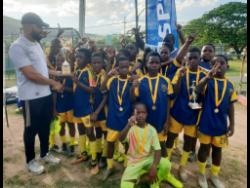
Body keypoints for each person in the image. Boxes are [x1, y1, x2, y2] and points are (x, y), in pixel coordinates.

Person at [9, 12, 62, 174]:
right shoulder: (18, 46)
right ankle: (31, 161)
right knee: (31, 130)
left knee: (45, 126)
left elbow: (43, 67)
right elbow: (30, 74)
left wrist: (58, 74)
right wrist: (54, 83)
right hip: (31, 98)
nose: (41, 30)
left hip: (45, 95)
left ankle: (45, 154)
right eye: (39, 27)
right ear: (31, 26)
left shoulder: (36, 44)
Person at [165, 47, 207, 182]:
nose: (192, 60)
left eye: (195, 58)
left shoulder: (205, 75)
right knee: (171, 138)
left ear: (199, 59)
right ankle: (166, 163)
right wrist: (180, 77)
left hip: (193, 115)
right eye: (190, 58)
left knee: (189, 142)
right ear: (186, 59)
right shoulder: (181, 71)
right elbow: (174, 92)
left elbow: (204, 95)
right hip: (177, 112)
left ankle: (182, 166)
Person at [195, 55, 237, 188]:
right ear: (210, 67)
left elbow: (230, 106)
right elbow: (197, 90)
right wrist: (208, 77)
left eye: (222, 63)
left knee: (218, 150)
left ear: (227, 66)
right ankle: (201, 174)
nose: (218, 67)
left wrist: (232, 124)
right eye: (214, 64)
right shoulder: (208, 82)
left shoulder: (230, 85)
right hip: (206, 122)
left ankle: (214, 175)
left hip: (221, 125)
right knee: (204, 148)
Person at [119, 102, 183, 188]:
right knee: (124, 186)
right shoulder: (130, 128)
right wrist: (128, 125)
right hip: (134, 163)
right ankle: (143, 176)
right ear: (133, 114)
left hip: (149, 160)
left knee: (166, 164)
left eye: (143, 112)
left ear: (147, 114)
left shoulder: (152, 130)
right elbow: (121, 138)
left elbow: (157, 150)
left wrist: (154, 166)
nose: (141, 115)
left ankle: (155, 182)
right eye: (138, 112)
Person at [131, 51, 174, 157]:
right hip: (145, 120)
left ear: (160, 64)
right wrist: (132, 87)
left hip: (160, 119)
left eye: (156, 62)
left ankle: (164, 166)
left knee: (161, 145)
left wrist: (167, 121)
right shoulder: (141, 81)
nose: (154, 65)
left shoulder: (166, 81)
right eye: (151, 62)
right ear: (146, 64)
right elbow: (133, 100)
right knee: (146, 145)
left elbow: (168, 101)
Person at [101, 55, 133, 180]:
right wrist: (108, 75)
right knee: (110, 143)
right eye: (121, 67)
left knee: (127, 144)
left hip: (126, 119)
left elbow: (134, 99)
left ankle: (126, 166)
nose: (124, 69)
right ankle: (110, 167)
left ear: (129, 67)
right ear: (117, 68)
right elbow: (102, 88)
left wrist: (134, 85)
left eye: (126, 67)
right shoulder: (112, 80)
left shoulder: (132, 81)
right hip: (113, 118)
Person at [71, 48, 94, 163]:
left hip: (86, 109)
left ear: (87, 59)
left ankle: (94, 156)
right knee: (80, 130)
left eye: (81, 57)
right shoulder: (76, 71)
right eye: (77, 57)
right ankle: (83, 153)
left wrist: (77, 82)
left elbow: (91, 90)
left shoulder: (88, 72)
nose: (78, 59)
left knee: (90, 132)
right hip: (77, 108)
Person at [88, 52, 108, 174]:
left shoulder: (104, 76)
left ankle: (104, 157)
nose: (96, 65)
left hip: (102, 111)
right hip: (93, 110)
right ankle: (98, 153)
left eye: (98, 62)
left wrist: (96, 112)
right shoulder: (91, 75)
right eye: (94, 63)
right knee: (97, 132)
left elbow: (105, 97)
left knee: (105, 133)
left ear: (103, 63)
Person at [54, 51, 75, 155]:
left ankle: (71, 144)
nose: (59, 62)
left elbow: (73, 90)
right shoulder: (54, 75)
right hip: (59, 106)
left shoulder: (69, 75)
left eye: (61, 61)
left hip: (69, 105)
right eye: (57, 60)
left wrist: (63, 87)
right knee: (61, 126)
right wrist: (54, 108)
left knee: (71, 125)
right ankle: (64, 143)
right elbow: (53, 92)